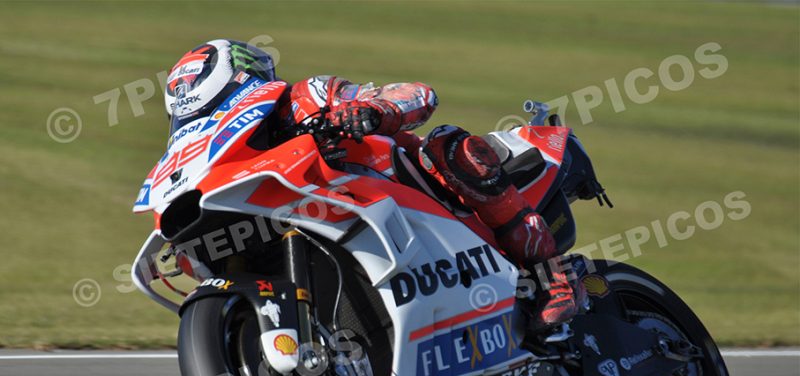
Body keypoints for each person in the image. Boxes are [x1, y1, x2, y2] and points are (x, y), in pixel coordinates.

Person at [164, 39, 579, 329]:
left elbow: (417, 94)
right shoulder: (215, 154)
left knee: (451, 146)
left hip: (406, 190)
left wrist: (374, 111)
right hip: (324, 225)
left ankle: (553, 277)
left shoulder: (306, 98)